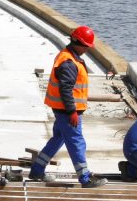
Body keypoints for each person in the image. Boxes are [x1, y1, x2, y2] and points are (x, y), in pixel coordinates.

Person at [28, 25, 107, 187]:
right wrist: (72, 111)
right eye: (86, 46)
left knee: (59, 138)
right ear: (78, 43)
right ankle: (85, 178)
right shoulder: (69, 62)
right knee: (76, 141)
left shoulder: (70, 56)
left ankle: (37, 169)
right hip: (67, 111)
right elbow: (66, 89)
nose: (87, 49)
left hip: (63, 109)